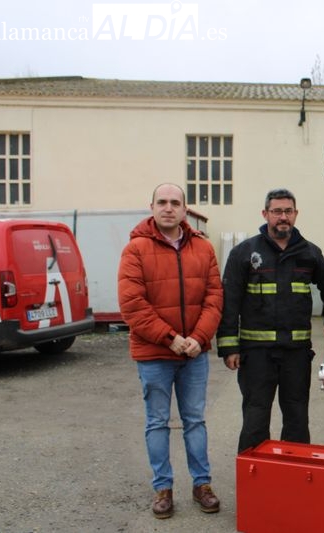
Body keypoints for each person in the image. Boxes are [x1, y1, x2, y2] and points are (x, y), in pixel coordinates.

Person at [118, 183, 223, 519]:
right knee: (157, 422)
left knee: (195, 420)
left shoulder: (203, 249)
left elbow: (214, 297)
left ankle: (201, 485)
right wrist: (170, 338)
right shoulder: (135, 249)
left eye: (174, 202)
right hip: (155, 355)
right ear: (151, 207)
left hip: (194, 353)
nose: (168, 208)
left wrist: (199, 336)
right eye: (161, 202)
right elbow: (132, 304)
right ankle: (163, 488)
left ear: (184, 209)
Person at [217, 188, 324, 453]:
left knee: (297, 420)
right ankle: (255, 483)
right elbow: (228, 301)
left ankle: (295, 481)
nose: (283, 217)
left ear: (296, 214)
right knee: (255, 420)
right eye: (277, 211)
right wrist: (229, 347)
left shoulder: (309, 253)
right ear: (265, 214)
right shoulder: (244, 253)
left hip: (296, 354)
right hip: (256, 355)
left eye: (288, 211)